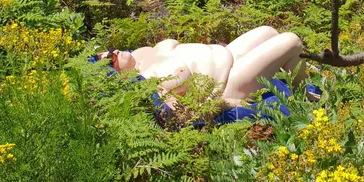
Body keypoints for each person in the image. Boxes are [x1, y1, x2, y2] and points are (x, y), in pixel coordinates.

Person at [93, 27, 304, 105]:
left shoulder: (140, 54)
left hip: (228, 55)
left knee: (268, 31)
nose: (115, 52)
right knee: (291, 41)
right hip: (230, 82)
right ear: (118, 76)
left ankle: (301, 81)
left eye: (110, 49)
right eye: (110, 58)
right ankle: (305, 96)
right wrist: (226, 103)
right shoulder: (147, 83)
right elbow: (183, 113)